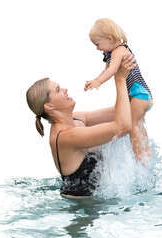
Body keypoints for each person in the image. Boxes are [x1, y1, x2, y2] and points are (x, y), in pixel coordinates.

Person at [26, 54, 135, 199]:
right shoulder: (66, 137)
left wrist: (120, 71)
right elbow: (123, 126)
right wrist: (119, 80)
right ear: (49, 106)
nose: (65, 89)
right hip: (82, 209)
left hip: (95, 203)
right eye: (58, 90)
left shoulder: (77, 119)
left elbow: (125, 111)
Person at [84, 18, 153, 162]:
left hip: (140, 94)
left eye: (97, 44)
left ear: (109, 38)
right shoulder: (111, 53)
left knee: (131, 125)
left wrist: (98, 81)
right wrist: (98, 79)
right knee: (138, 124)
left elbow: (112, 70)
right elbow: (107, 70)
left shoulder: (119, 50)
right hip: (137, 95)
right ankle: (147, 157)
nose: (97, 48)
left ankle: (140, 161)